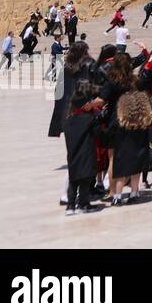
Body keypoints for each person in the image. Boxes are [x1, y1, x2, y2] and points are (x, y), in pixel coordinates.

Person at [62, 82, 106, 215]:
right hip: (86, 153)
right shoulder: (89, 119)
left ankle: (70, 206)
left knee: (73, 180)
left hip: (72, 154)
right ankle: (83, 204)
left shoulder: (68, 119)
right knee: (85, 180)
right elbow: (99, 134)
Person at [110, 89, 152, 205]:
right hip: (140, 150)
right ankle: (134, 194)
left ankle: (117, 196)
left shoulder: (121, 121)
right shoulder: (144, 120)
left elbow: (110, 129)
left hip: (122, 151)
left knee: (121, 174)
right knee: (136, 172)